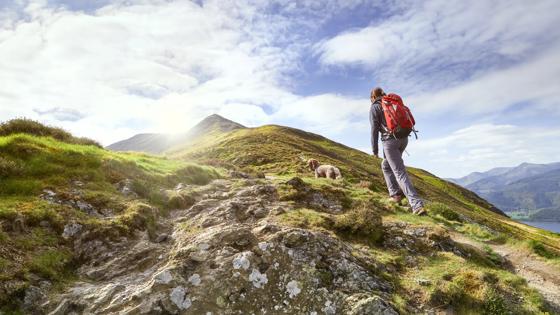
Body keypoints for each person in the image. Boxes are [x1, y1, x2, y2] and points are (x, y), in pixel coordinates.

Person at [370, 87, 426, 215]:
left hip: (390, 142)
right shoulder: (391, 102)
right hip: (403, 138)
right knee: (386, 165)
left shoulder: (375, 107)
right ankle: (396, 195)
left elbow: (374, 129)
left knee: (399, 172)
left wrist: (374, 150)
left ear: (372, 97)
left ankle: (417, 205)